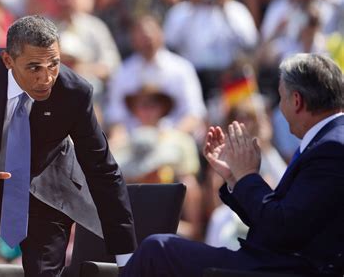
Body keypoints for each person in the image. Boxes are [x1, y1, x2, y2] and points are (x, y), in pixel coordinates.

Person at [0, 15, 136, 276]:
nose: (46, 78)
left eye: (54, 64)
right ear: (8, 61)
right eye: (34, 67)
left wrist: (127, 258)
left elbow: (102, 169)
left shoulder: (75, 92)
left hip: (44, 185)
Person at [121, 53, 344, 277]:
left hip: (286, 267)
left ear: (296, 101)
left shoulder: (331, 148)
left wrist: (247, 176)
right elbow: (280, 221)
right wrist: (234, 178)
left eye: (281, 98)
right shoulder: (327, 141)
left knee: (157, 250)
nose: (280, 108)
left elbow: (282, 229)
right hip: (277, 261)